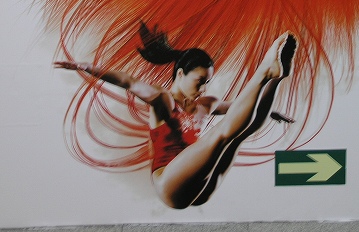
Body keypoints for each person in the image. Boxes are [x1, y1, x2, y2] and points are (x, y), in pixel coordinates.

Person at [55, 28, 297, 209]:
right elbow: (127, 81)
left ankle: (276, 78)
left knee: (240, 134)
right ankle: (265, 72)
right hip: (169, 186)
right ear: (180, 74)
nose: (203, 89)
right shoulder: (163, 100)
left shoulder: (206, 104)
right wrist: (86, 67)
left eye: (207, 83)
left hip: (201, 187)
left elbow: (243, 108)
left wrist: (271, 109)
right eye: (199, 82)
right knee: (221, 135)